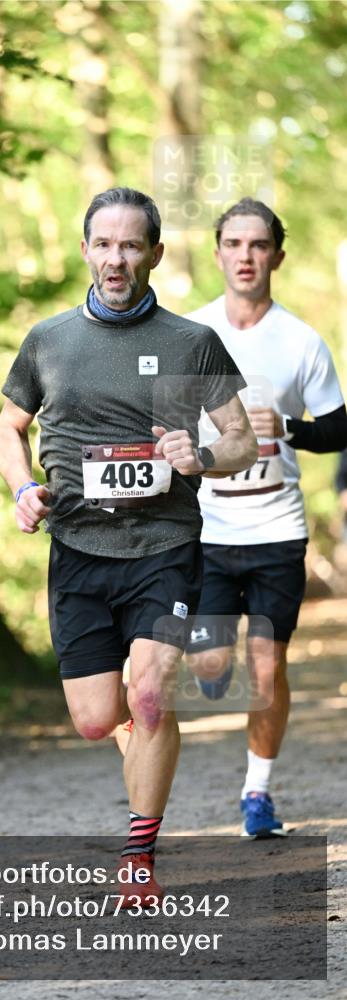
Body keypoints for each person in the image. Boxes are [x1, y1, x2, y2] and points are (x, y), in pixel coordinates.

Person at [0, 186, 257, 905]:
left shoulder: (189, 343)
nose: (116, 259)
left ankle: (137, 860)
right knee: (94, 720)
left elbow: (241, 439)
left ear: (154, 254)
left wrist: (201, 455)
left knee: (149, 696)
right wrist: (22, 487)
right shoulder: (49, 341)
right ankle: (143, 745)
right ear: (85, 250)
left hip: (164, 547)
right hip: (78, 548)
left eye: (131, 245)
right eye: (104, 245)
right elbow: (7, 428)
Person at [184, 198, 347, 838]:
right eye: (234, 244)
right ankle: (211, 662)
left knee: (267, 666)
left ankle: (257, 792)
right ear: (218, 253)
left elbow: (339, 428)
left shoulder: (301, 341)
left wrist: (289, 428)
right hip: (207, 530)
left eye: (258, 245)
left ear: (276, 255)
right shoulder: (190, 335)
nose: (245, 256)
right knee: (207, 665)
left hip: (278, 531)